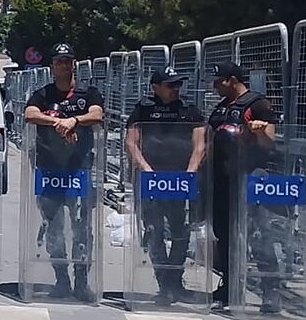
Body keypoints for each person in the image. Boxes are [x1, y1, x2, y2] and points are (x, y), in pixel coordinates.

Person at [23, 43, 105, 301]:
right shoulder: (43, 94)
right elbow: (29, 113)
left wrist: (75, 120)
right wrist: (57, 122)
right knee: (54, 226)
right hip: (50, 169)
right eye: (58, 61)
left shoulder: (87, 93)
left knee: (82, 228)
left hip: (79, 169)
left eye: (67, 61)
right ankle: (61, 278)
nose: (63, 65)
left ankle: (82, 280)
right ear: (52, 66)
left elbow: (97, 114)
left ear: (73, 65)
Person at [125, 67, 208, 304]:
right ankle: (164, 282)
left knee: (181, 231)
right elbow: (131, 143)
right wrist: (146, 171)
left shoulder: (189, 111)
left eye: (178, 85)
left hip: (182, 180)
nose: (175, 89)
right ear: (156, 87)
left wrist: (190, 173)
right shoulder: (144, 109)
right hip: (152, 180)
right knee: (154, 231)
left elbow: (200, 145)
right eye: (170, 85)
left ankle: (175, 279)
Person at [206, 61, 280, 311]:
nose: (215, 86)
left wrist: (258, 131)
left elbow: (269, 142)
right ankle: (229, 286)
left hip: (249, 175)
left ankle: (271, 292)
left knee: (259, 233)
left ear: (232, 80)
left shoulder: (256, 103)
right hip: (223, 178)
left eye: (219, 81)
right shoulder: (221, 108)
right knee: (225, 233)